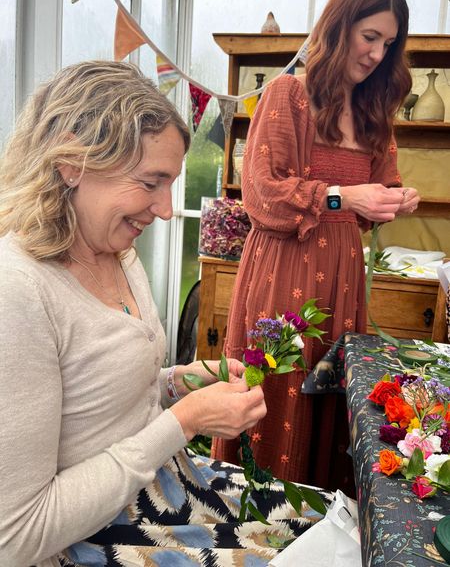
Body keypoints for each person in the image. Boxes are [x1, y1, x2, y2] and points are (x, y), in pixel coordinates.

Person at [0, 61, 330, 567]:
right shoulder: (18, 292)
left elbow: (93, 402)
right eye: (151, 182)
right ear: (72, 164)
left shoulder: (117, 252)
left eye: (170, 184)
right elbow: (18, 535)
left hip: (163, 483)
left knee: (329, 523)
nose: (167, 210)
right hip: (87, 536)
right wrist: (181, 423)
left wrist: (177, 383)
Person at [212, 0, 420, 492]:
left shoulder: (375, 113)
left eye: (388, 44)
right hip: (284, 270)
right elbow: (260, 195)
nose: (376, 54)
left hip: (343, 278)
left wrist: (393, 199)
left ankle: (318, 524)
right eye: (369, 36)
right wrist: (344, 197)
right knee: (278, 391)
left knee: (328, 399)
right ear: (340, 25)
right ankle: (257, 518)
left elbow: (379, 190)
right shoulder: (288, 95)